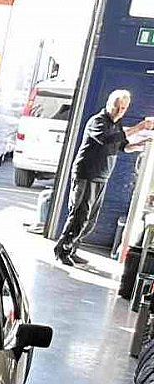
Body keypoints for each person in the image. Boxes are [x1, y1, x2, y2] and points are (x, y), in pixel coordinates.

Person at [55, 89, 154, 266]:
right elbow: (107, 139)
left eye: (123, 108)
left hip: (102, 176)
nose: (119, 111)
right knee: (80, 215)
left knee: (90, 219)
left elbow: (121, 145)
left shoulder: (117, 123)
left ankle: (72, 248)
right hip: (87, 174)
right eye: (117, 107)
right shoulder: (98, 121)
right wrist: (139, 127)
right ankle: (62, 249)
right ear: (109, 104)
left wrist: (139, 145)